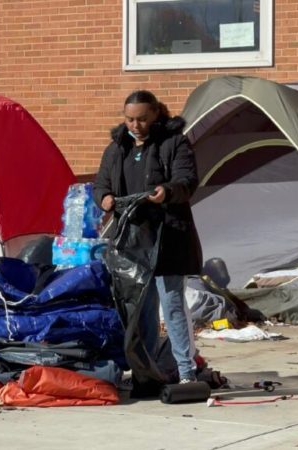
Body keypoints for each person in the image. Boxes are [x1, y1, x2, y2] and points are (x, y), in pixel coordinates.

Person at [93, 90, 203, 383]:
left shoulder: (175, 143)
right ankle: (149, 370)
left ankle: (186, 372)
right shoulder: (116, 149)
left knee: (172, 303)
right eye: (129, 119)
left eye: (142, 119)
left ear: (156, 113)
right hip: (132, 240)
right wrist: (103, 198)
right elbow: (101, 184)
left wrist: (166, 192)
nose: (135, 125)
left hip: (168, 237)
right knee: (141, 309)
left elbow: (187, 181)